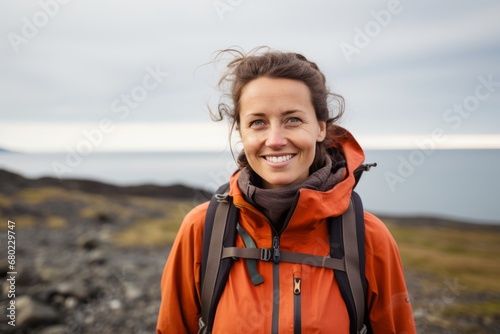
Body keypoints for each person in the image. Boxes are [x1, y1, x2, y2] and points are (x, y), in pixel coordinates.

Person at [156, 47, 416, 333]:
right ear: (241, 132)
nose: (276, 140)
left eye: (293, 119)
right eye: (258, 123)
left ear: (320, 128)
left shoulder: (368, 237)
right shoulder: (203, 229)